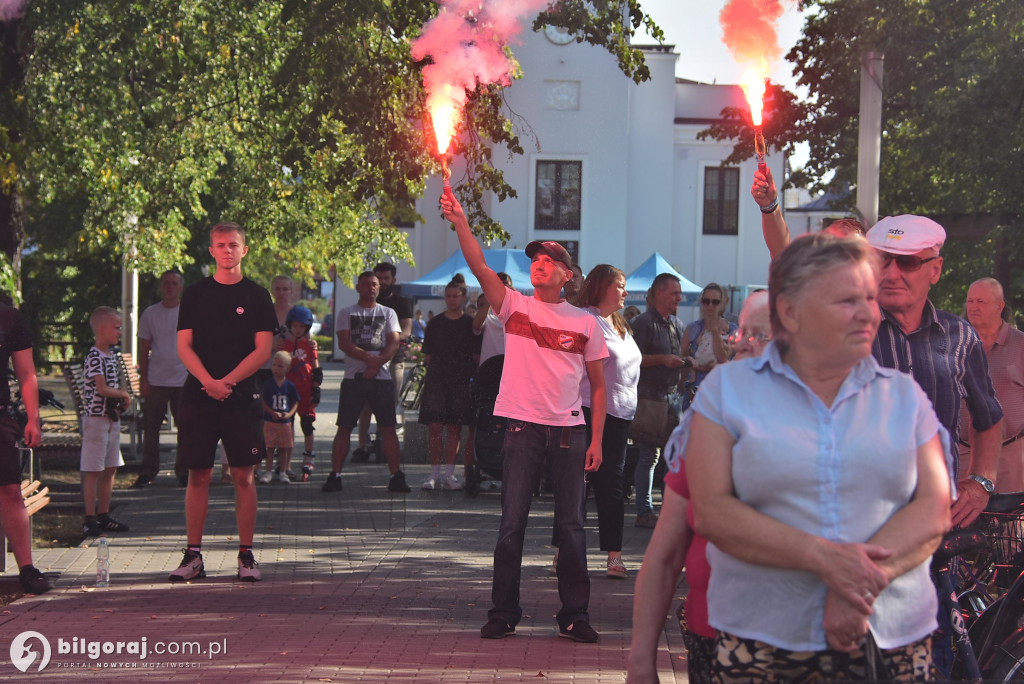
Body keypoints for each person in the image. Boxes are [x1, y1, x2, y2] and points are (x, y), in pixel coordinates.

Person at [687, 234, 951, 681]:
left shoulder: (903, 396)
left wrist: (854, 588)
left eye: (869, 298)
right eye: (847, 300)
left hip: (891, 642)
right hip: (764, 642)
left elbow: (933, 510)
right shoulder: (728, 391)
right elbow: (713, 512)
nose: (868, 313)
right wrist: (824, 559)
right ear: (789, 311)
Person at [441, 194, 608, 644]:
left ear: (566, 275)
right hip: (521, 427)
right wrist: (460, 222)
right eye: (535, 258)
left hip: (570, 431)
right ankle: (503, 612)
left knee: (571, 526)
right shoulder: (514, 306)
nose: (539, 263)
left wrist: (597, 440)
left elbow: (598, 385)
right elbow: (478, 266)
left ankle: (574, 615)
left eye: (550, 260)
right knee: (511, 523)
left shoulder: (587, 323)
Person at [627, 290, 771, 684]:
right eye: (741, 336)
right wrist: (641, 662)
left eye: (760, 337)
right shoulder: (709, 433)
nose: (741, 345)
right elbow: (664, 556)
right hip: (712, 641)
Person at [865, 215, 1002, 529]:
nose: (891, 273)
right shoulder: (845, 330)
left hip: (938, 522)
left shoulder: (960, 336)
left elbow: (990, 417)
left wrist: (982, 482)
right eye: (882, 261)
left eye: (908, 263)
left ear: (935, 269)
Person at [169, 221, 276, 583]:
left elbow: (263, 350)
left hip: (241, 398)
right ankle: (193, 556)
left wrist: (227, 382)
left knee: (243, 476)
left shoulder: (259, 296)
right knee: (198, 475)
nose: (227, 250)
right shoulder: (196, 294)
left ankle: (246, 555)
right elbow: (183, 346)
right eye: (220, 245)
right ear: (211, 251)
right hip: (199, 397)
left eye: (233, 244)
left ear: (244, 250)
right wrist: (208, 382)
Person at [555, 264, 641, 579]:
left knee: (612, 485)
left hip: (620, 415)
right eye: (620, 285)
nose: (625, 292)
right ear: (603, 287)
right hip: (589, 411)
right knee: (578, 482)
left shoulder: (620, 324)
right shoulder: (586, 320)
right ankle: (564, 551)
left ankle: (614, 555)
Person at [321, 271, 411, 494]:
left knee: (388, 428)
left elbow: (394, 342)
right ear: (358, 287)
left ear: (379, 288)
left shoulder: (388, 313)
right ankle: (335, 474)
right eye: (366, 284)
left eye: (375, 284)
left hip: (381, 380)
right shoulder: (346, 313)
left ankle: (395, 475)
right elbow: (344, 343)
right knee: (344, 428)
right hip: (354, 380)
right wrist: (368, 359)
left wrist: (376, 364)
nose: (371, 287)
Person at [0, 303, 52, 593]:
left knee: (9, 490)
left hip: (0, 416)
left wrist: (33, 418)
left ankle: (27, 569)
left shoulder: (8, 316)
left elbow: (26, 373)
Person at [629, 273, 687, 528]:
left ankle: (667, 511)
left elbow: (682, 354)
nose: (679, 298)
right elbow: (632, 358)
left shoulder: (676, 323)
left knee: (671, 456)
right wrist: (663, 360)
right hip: (650, 398)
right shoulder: (643, 323)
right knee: (649, 456)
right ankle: (644, 511)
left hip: (673, 397)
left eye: (679, 293)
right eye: (674, 293)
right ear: (659, 294)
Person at [961, 277, 1023, 492]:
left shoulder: (1020, 345)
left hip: (1011, 456)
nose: (973, 307)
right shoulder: (954, 343)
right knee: (963, 523)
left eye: (981, 302)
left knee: (1010, 524)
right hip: (963, 455)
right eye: (970, 302)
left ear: (1000, 306)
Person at [418, 276, 481, 491]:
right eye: (448, 296)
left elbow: (475, 355)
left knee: (455, 427)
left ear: (463, 298)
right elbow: (427, 355)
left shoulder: (469, 324)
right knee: (435, 426)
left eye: (455, 296)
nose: (451, 300)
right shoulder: (435, 323)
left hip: (461, 381)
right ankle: (433, 473)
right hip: (437, 380)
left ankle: (450, 474)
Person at [352, 262, 414, 462]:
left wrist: (390, 340)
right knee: (365, 405)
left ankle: (386, 445)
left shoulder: (403, 303)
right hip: (368, 360)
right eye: (380, 279)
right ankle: (362, 446)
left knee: (390, 402)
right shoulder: (365, 304)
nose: (383, 282)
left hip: (394, 359)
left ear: (393, 280)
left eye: (387, 279)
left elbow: (406, 330)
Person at [134, 270, 188, 488]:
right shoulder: (150, 313)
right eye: (166, 283)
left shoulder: (189, 312)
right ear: (161, 286)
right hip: (156, 379)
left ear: (181, 287)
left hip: (184, 379)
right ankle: (148, 472)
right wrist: (143, 379)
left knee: (185, 428)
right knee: (151, 427)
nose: (170, 287)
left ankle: (183, 471)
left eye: (174, 283)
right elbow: (144, 348)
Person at [80, 306, 131, 537]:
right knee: (93, 469)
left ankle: (104, 514)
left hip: (111, 419)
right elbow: (101, 389)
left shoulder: (111, 356)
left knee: (110, 467)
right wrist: (122, 394)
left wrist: (120, 399)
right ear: (102, 329)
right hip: (96, 420)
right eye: (117, 327)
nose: (120, 332)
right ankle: (89, 517)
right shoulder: (94, 357)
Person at [751, 166, 866, 259]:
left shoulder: (876, 284)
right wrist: (770, 207)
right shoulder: (813, 280)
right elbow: (782, 255)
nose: (844, 256)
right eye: (835, 248)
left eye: (852, 249)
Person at [280, 305, 322, 480]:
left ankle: (309, 457)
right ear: (290, 326)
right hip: (287, 391)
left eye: (301, 326)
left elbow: (316, 368)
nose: (298, 329)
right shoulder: (284, 344)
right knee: (286, 427)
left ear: (307, 328)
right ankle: (285, 463)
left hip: (305, 392)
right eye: (295, 325)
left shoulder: (309, 345)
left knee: (307, 424)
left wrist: (316, 388)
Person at [680, 283, 737, 400]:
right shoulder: (692, 328)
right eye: (706, 301)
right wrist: (690, 362)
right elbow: (681, 356)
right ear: (702, 302)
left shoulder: (731, 330)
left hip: (721, 391)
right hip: (695, 391)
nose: (710, 305)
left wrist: (715, 331)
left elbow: (723, 359)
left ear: (721, 303)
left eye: (715, 302)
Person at [259, 350, 300, 484]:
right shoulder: (268, 384)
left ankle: (283, 471)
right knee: (269, 448)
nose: (276, 369)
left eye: (280, 366)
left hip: (285, 423)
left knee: (284, 448)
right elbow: (262, 401)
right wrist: (271, 412)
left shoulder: (290, 386)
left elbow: (295, 402)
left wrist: (289, 414)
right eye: (274, 365)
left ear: (287, 369)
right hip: (270, 421)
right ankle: (268, 471)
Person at [255, 275, 294, 388]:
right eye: (277, 289)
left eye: (285, 289)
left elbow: (305, 340)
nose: (281, 293)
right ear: (272, 290)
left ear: (291, 291)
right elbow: (251, 341)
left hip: (290, 368)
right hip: (266, 367)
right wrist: (270, 346)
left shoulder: (297, 313)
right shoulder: (263, 313)